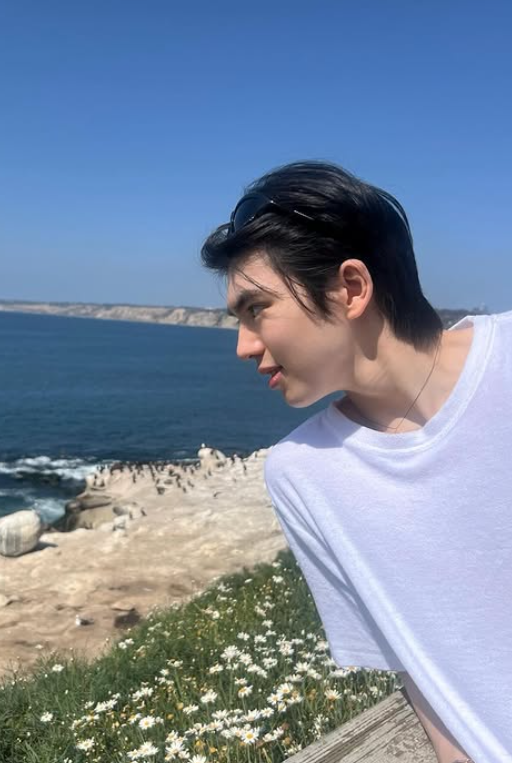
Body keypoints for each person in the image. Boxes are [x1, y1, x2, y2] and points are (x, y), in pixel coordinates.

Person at [200, 161, 511, 763]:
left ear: (350, 288)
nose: (242, 346)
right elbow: (426, 675)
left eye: (256, 309)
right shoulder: (303, 476)